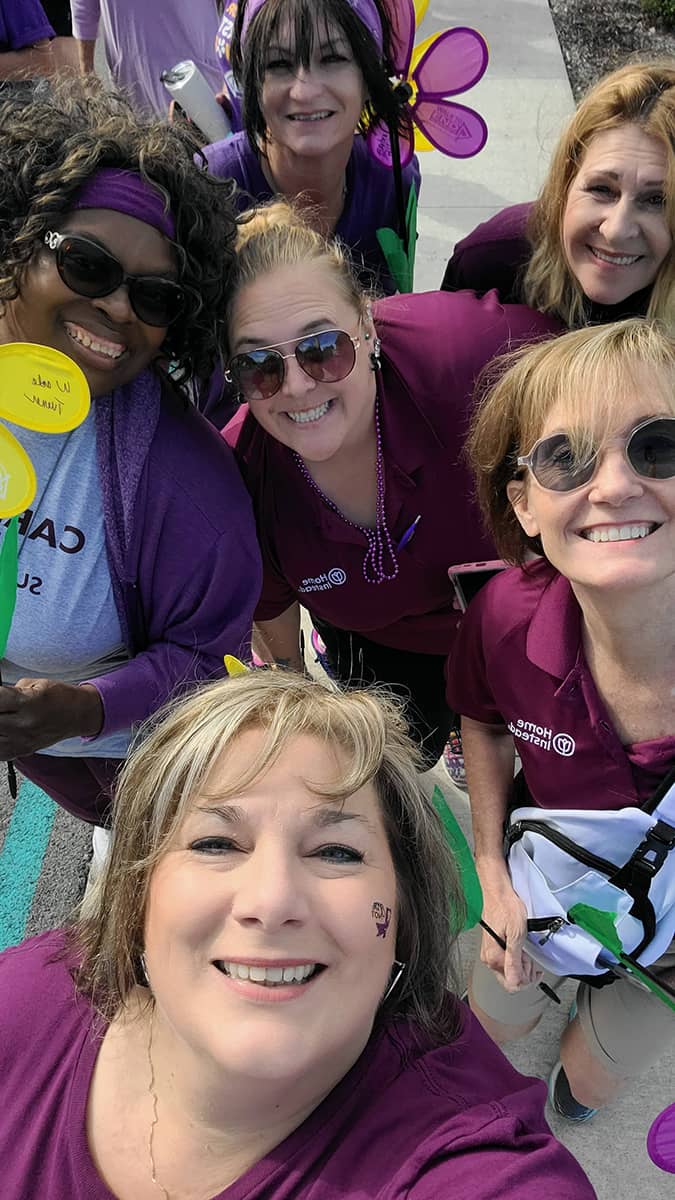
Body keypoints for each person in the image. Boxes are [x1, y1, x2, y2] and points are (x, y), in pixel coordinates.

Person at [0, 670, 595, 1198]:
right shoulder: (29, 996)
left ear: (404, 915)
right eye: (215, 843)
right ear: (137, 895)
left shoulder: (470, 1161)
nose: (272, 901)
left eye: (336, 852)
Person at [0, 76, 261, 825]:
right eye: (86, 264)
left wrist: (86, 708)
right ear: (20, 241)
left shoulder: (190, 491)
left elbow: (209, 659)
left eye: (156, 298)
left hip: (128, 770)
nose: (118, 306)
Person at [222, 202, 558, 767]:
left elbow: (610, 379)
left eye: (324, 349)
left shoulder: (473, 355)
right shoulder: (241, 479)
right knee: (406, 754)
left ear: (368, 324)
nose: (299, 387)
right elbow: (278, 646)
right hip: (385, 646)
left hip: (528, 613)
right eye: (260, 365)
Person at [446, 319, 675, 1121]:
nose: (612, 487)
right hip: (543, 885)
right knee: (489, 1023)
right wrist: (489, 870)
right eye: (564, 458)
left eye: (658, 447)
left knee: (591, 1081)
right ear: (525, 506)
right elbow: (479, 719)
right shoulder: (506, 616)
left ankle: (574, 1092)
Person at [204, 0, 420, 297]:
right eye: (278, 64)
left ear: (370, 77)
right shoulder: (208, 187)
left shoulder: (392, 178)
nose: (305, 91)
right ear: (253, 84)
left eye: (332, 58)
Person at [441, 61, 675, 329]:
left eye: (658, 200)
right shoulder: (489, 261)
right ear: (565, 182)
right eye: (602, 189)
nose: (616, 230)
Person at [70, 0, 224, 117]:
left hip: (201, 81)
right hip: (133, 85)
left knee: (210, 153)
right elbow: (83, 6)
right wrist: (87, 73)